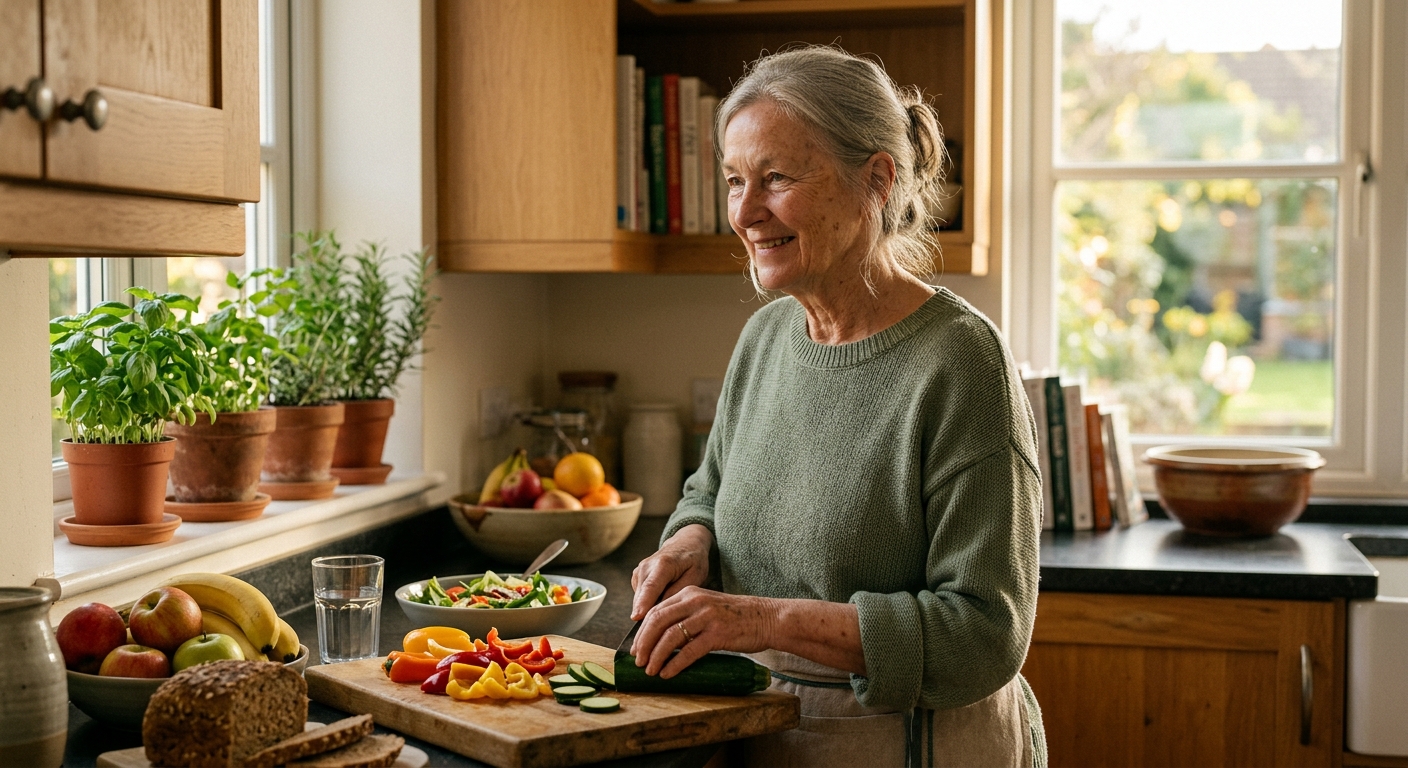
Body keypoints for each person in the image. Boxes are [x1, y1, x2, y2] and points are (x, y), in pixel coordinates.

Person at [627, 46, 1046, 767]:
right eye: (734, 181)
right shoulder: (766, 336)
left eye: (777, 178)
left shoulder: (960, 362)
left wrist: (760, 620)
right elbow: (709, 491)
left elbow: (984, 634)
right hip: (761, 734)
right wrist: (690, 542)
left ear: (876, 180)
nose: (746, 212)